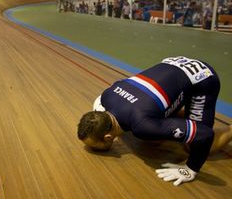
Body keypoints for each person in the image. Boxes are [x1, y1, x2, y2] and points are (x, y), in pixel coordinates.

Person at [77, 56, 232, 186]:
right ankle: (185, 116)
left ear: (108, 137)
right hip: (174, 63)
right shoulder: (106, 96)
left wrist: (190, 169)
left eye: (96, 147)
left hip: (202, 78)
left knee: (194, 145)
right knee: (152, 132)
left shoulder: (142, 125)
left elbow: (204, 135)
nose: (96, 149)